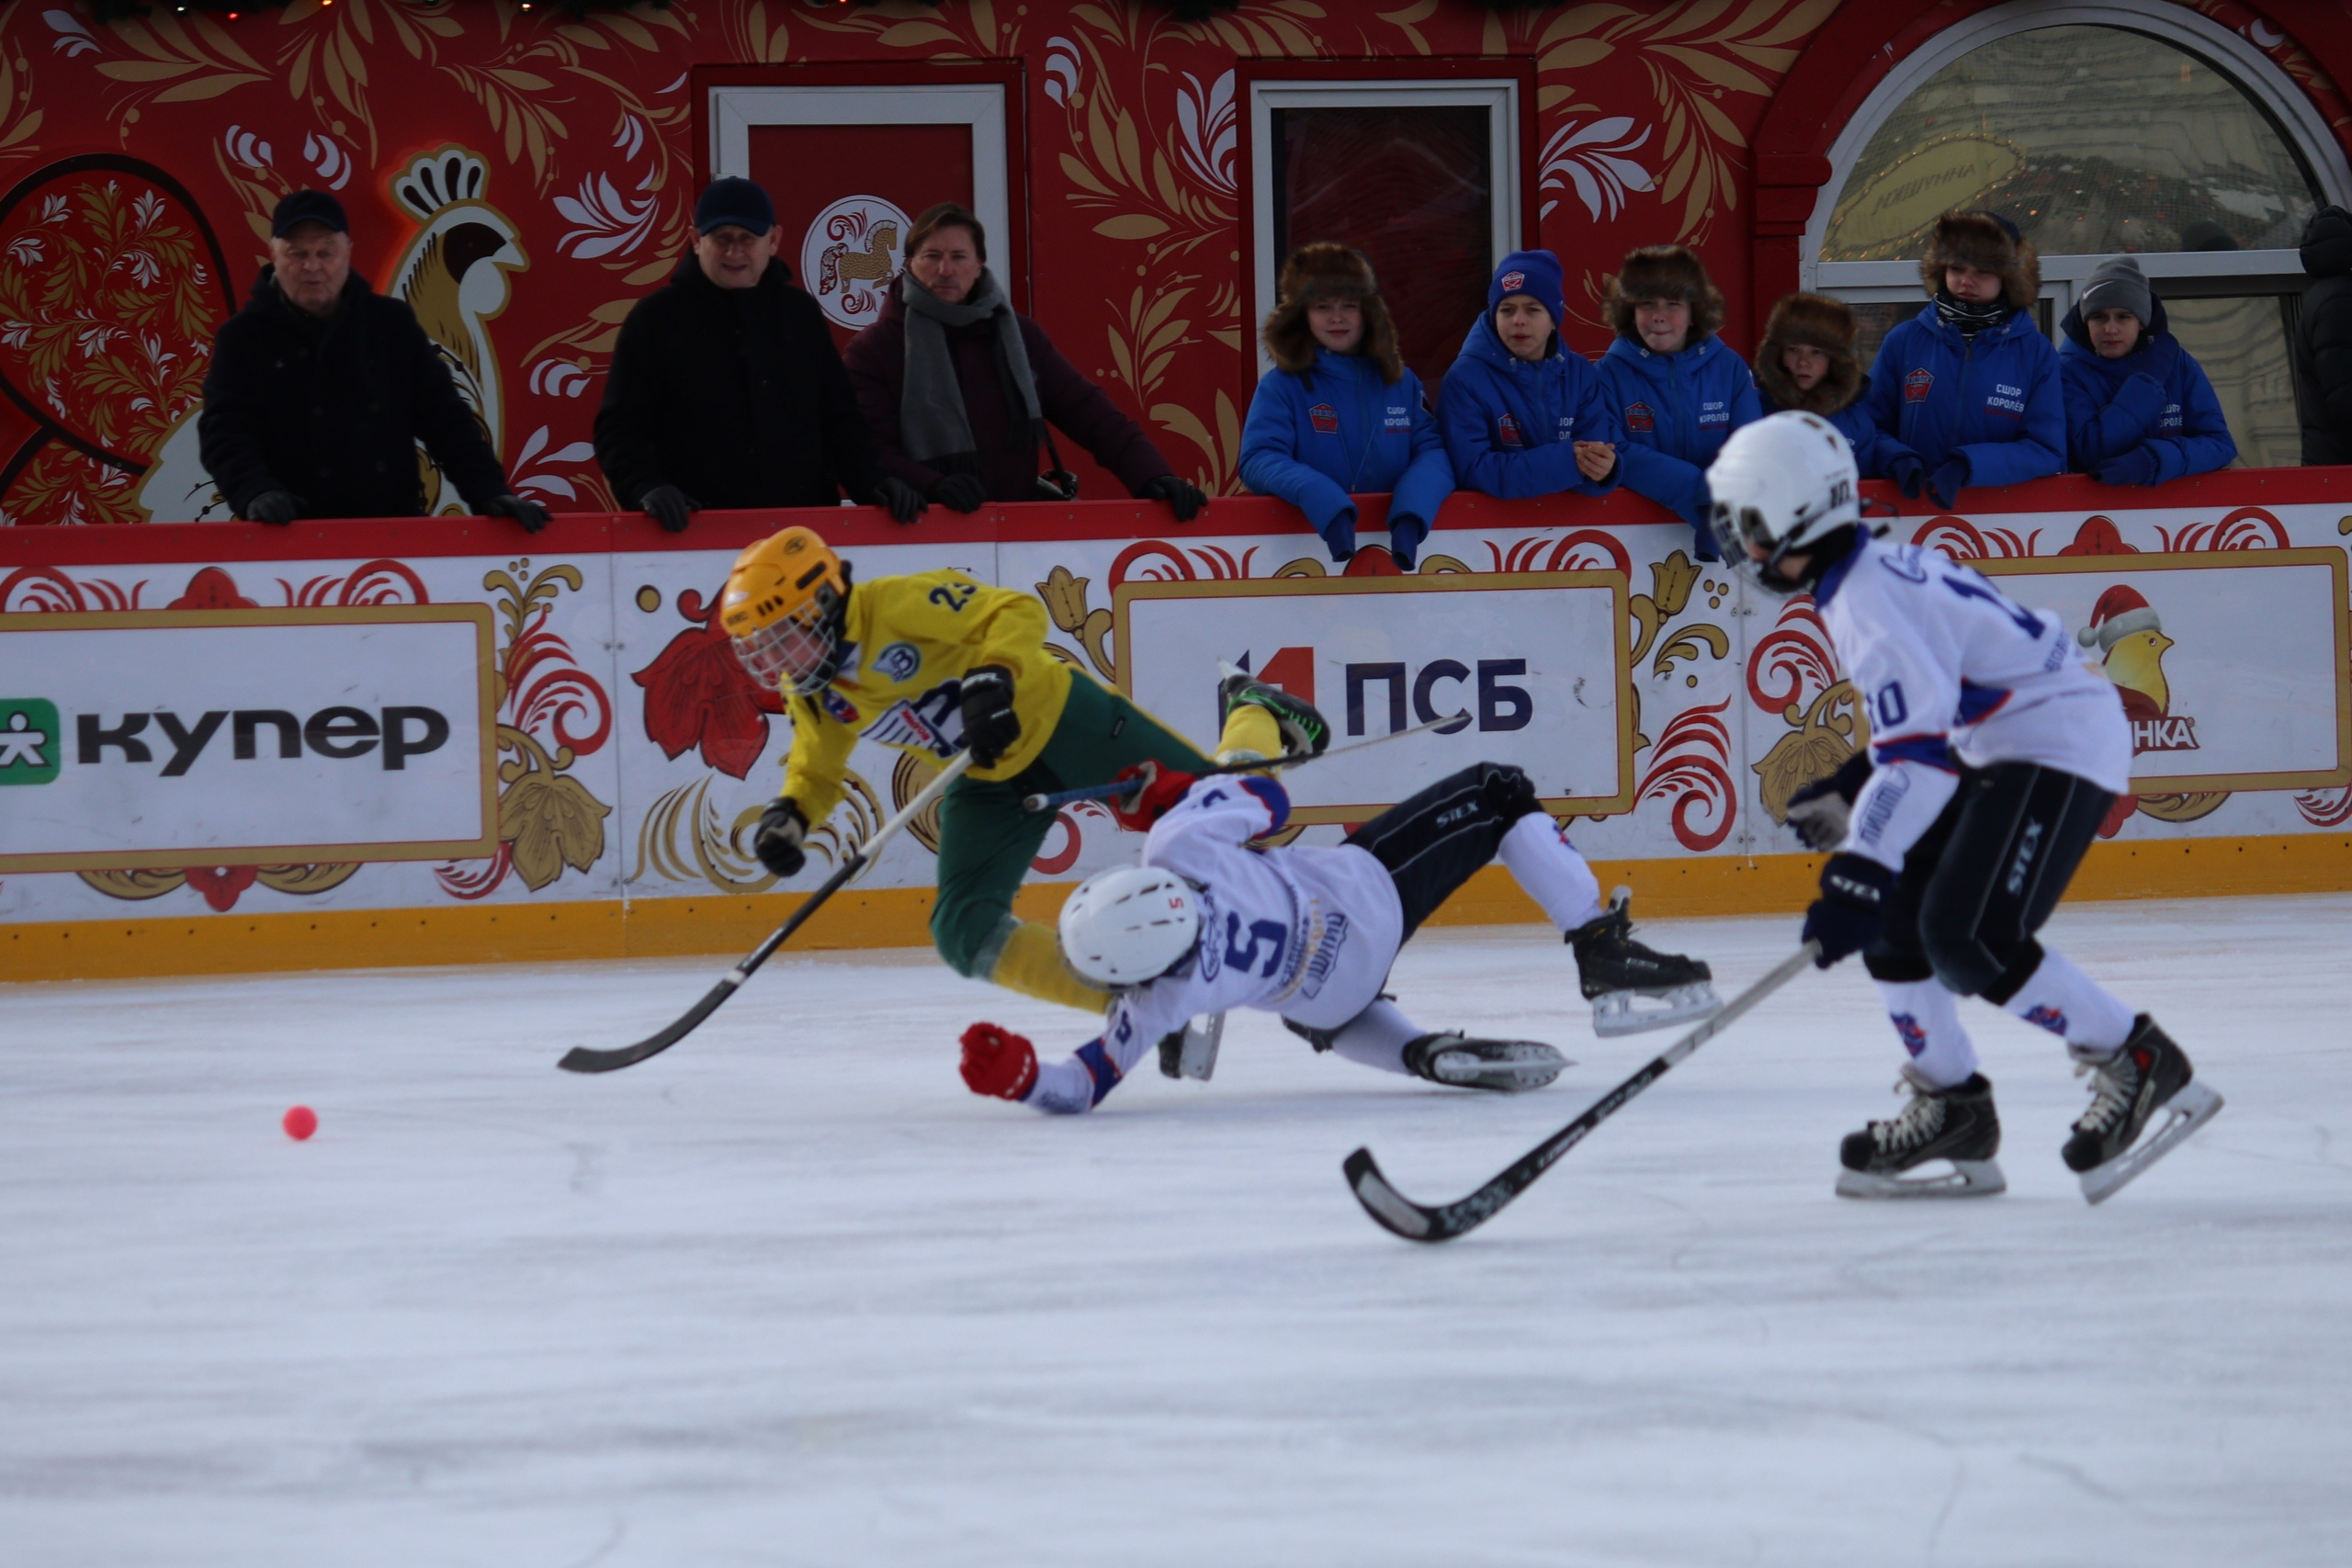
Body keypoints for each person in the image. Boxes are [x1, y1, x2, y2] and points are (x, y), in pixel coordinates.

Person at [1707, 412, 2222, 1201]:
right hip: (2003, 742)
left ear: (1794, 517)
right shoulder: (1872, 571)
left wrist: (1858, 867)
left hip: (2057, 744)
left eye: (1748, 521)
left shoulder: (1865, 601)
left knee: (1968, 937)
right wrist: (1853, 783)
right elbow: (1931, 709)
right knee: (1900, 923)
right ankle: (1953, 1105)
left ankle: (2137, 1055)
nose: (1741, 543)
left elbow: (1919, 760)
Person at [720, 524, 1321, 1015]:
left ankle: (1256, 709)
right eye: (760, 650)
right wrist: (791, 815)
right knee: (962, 930)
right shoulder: (814, 693)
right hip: (991, 780)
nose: (775, 662)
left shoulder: (894, 606)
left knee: (1233, 819)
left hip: (1065, 722)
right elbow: (816, 770)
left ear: (823, 603)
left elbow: (1013, 611)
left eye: (781, 638)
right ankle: (1132, 1005)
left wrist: (992, 677)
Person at [955, 761, 1722, 1114]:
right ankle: (1600, 948)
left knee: (1324, 1012)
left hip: (1328, 1001)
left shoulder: (1159, 995)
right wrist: (1178, 796)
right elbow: (1270, 795)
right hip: (1365, 900)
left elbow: (1082, 1083)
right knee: (1500, 790)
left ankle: (1414, 1049)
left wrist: (1021, 1075)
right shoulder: (1175, 850)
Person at [198, 190, 546, 529]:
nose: (312, 266)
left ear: (347, 253)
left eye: (325, 252)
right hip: (290, 539)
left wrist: (489, 491)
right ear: (274, 255)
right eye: (297, 253)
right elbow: (225, 431)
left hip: (390, 533)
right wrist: (255, 490)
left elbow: (445, 418)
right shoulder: (243, 338)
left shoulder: (391, 325)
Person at [594, 177, 924, 531]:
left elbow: (839, 419)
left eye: (747, 239)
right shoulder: (655, 319)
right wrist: (646, 487)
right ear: (695, 241)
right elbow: (620, 426)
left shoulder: (801, 316)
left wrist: (873, 482)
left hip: (800, 535)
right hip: (692, 536)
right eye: (722, 239)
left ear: (773, 241)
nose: (735, 253)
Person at [843, 202, 1205, 522]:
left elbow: (1090, 413)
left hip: (1017, 535)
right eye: (932, 256)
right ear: (909, 264)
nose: (945, 270)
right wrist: (934, 486)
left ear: (979, 263)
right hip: (923, 532)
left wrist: (1154, 475)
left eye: (958, 256)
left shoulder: (1019, 337)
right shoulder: (875, 349)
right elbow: (867, 451)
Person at [1238, 243, 1453, 568]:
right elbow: (1258, 459)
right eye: (1323, 306)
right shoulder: (1281, 386)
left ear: (1368, 312)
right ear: (1303, 315)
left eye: (1349, 305)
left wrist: (1411, 513)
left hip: (1400, 559)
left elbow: (1434, 452)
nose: (1337, 317)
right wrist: (1320, 498)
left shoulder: (1401, 382)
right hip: (1302, 560)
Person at [1860, 210, 2064, 510]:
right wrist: (1896, 457)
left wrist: (1969, 465)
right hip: (1911, 515)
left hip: (2005, 527)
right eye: (1957, 268)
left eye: (1982, 271)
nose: (1966, 280)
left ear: (2008, 279)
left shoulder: (2036, 352)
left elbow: (2048, 450)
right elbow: (1867, 426)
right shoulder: (1904, 340)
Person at [1596, 245, 1758, 558]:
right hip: (1631, 543)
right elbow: (1614, 452)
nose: (1659, 317)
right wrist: (1702, 495)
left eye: (1673, 304)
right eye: (1646, 304)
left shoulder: (1730, 368)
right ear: (1629, 309)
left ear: (1694, 310)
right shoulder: (1606, 374)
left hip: (1724, 544)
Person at [1436, 249, 1620, 509]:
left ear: (1554, 319)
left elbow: (1594, 463)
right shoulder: (1465, 378)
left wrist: (1603, 470)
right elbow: (1471, 470)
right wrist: (1565, 463)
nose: (1518, 321)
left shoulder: (1581, 374)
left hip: (1571, 533)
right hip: (1484, 540)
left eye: (1532, 310)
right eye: (1507, 310)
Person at [2059, 255, 2235, 485]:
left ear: (2142, 321)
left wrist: (2156, 459)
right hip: (2089, 514)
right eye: (2098, 316)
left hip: (2177, 515)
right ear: (2085, 322)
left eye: (2123, 316)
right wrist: (2143, 388)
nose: (2110, 328)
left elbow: (2220, 445)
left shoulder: (2177, 363)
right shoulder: (2065, 372)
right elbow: (2088, 452)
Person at [1754, 292, 1918, 489]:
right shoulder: (1755, 409)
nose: (1803, 362)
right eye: (1793, 350)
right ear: (1777, 354)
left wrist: (1897, 459)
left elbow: (1867, 482)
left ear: (1835, 360)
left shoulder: (1854, 420)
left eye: (1816, 352)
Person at [2291, 204, 2352, 466]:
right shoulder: (2342, 298)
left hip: (2330, 461)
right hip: (2342, 467)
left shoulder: (2323, 295)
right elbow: (2344, 390)